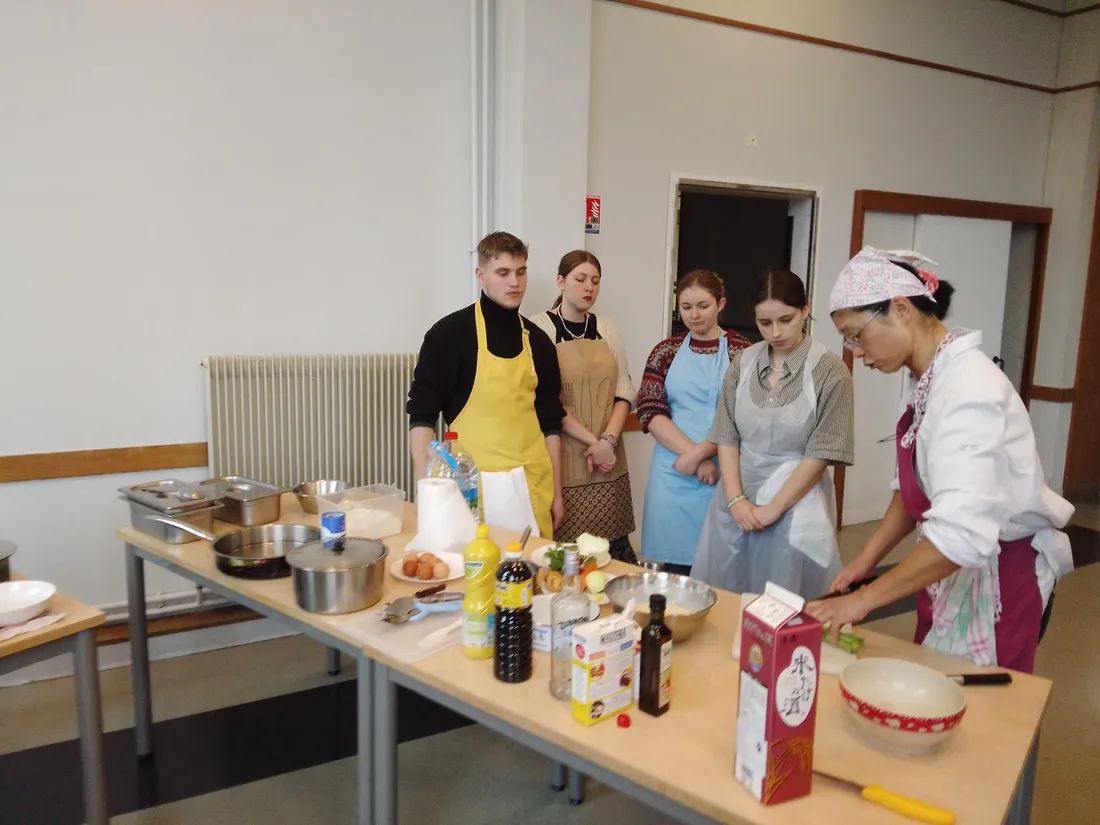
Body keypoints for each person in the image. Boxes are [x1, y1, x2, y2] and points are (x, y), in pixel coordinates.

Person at [805, 246, 1075, 673]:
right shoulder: (923, 378)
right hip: (946, 571)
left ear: (900, 309)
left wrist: (864, 601)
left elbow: (963, 534)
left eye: (857, 334)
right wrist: (867, 560)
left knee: (984, 719)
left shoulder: (968, 388)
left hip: (996, 579)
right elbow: (913, 493)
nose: (856, 351)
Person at [692, 268, 854, 598]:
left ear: (805, 311)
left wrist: (775, 508)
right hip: (737, 500)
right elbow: (727, 434)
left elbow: (821, 451)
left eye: (786, 319)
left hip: (796, 503)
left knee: (783, 603)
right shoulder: (743, 362)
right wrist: (736, 500)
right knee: (725, 598)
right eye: (765, 323)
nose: (776, 332)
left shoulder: (830, 370)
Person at [406, 231, 564, 539]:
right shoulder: (449, 336)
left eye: (521, 272)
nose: (514, 283)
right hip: (474, 488)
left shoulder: (540, 343)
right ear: (481, 275)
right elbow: (422, 416)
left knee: (534, 578)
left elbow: (550, 424)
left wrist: (557, 493)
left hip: (532, 485)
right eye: (502, 272)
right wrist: (425, 491)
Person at [636, 270, 752, 574]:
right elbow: (650, 410)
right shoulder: (665, 352)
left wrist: (703, 456)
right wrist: (694, 458)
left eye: (703, 306)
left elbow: (748, 415)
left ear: (720, 304)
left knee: (722, 569)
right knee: (673, 574)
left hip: (726, 472)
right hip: (672, 473)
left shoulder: (744, 353)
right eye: (686, 307)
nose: (694, 314)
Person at [531, 251, 638, 563]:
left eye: (595, 281)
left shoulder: (607, 328)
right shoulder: (539, 328)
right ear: (561, 281)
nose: (588, 287)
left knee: (613, 557)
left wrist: (609, 441)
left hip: (609, 460)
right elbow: (545, 401)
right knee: (566, 557)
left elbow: (624, 391)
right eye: (580, 279)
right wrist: (595, 442)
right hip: (562, 457)